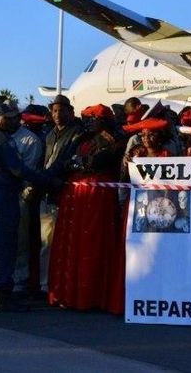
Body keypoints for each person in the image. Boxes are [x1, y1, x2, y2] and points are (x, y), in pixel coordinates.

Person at [0, 103, 54, 312]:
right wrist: (47, 181)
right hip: (3, 196)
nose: (15, 121)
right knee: (5, 246)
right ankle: (3, 295)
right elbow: (18, 170)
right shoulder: (3, 141)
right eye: (10, 118)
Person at [48, 104, 123, 313]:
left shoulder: (113, 139)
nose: (89, 122)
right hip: (77, 196)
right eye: (87, 118)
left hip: (97, 197)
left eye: (93, 118)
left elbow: (98, 162)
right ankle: (68, 293)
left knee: (93, 243)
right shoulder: (81, 138)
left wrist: (79, 163)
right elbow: (67, 162)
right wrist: (78, 163)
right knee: (72, 242)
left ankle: (91, 295)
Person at [38, 95, 83, 296]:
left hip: (64, 192)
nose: (57, 114)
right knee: (46, 242)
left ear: (70, 112)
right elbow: (45, 161)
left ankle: (59, 283)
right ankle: (45, 284)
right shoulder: (49, 135)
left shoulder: (77, 134)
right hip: (47, 192)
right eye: (54, 111)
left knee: (62, 242)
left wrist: (50, 177)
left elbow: (65, 162)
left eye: (61, 110)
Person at [9, 106, 43, 298]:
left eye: (11, 117)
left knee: (21, 240)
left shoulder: (30, 140)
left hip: (21, 193)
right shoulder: (2, 137)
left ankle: (20, 280)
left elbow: (28, 171)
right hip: (4, 194)